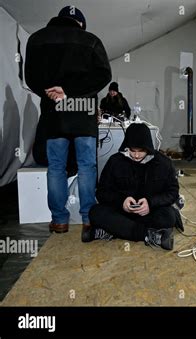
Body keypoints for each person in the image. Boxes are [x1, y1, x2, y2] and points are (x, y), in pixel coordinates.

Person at [25, 5, 111, 235]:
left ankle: (60, 220)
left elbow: (30, 77)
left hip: (54, 111)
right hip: (83, 112)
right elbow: (104, 75)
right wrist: (69, 91)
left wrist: (53, 93)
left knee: (56, 168)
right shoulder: (90, 40)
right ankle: (88, 219)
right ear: (80, 24)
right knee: (86, 166)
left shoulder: (36, 39)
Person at [85, 123, 179, 250]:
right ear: (127, 147)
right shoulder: (115, 161)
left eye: (141, 151)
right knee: (95, 212)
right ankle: (150, 236)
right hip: (122, 211)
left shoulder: (163, 163)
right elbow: (102, 192)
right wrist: (121, 202)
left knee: (169, 216)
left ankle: (114, 230)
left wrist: (150, 203)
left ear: (149, 148)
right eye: (132, 150)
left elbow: (173, 193)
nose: (136, 155)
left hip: (150, 212)